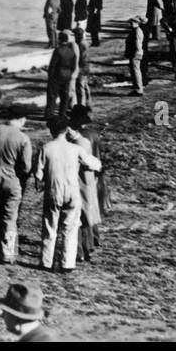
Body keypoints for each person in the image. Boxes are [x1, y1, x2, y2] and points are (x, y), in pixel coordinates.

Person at [34, 114, 102, 273]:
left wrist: (41, 181)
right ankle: (67, 263)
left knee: (50, 226)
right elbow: (94, 164)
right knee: (70, 229)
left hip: (53, 190)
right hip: (72, 192)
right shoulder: (76, 149)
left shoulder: (46, 148)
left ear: (51, 130)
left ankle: (46, 261)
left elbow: (38, 175)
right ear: (66, 130)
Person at [0, 113, 33, 263]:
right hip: (12, 181)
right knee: (9, 218)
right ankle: (7, 254)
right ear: (22, 119)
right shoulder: (23, 138)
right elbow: (26, 167)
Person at [69, 106, 104, 263]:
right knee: (91, 210)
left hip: (82, 178)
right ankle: (95, 241)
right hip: (94, 176)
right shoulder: (94, 134)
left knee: (82, 213)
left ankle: (85, 247)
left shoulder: (79, 139)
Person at [46, 30, 78, 119]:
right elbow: (73, 65)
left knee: (52, 96)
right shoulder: (71, 51)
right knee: (64, 96)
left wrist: (50, 76)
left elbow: (52, 65)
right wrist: (70, 74)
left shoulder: (58, 50)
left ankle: (49, 114)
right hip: (67, 76)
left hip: (57, 76)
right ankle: (62, 113)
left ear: (59, 40)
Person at [124, 16, 146, 95]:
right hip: (135, 53)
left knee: (136, 71)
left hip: (135, 54)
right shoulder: (136, 30)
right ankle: (137, 88)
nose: (130, 24)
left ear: (136, 23)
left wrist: (137, 52)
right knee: (135, 71)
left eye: (131, 23)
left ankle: (138, 89)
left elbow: (137, 44)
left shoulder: (136, 31)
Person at [71, 28, 92, 108]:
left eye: (75, 35)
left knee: (80, 87)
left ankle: (81, 105)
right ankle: (88, 102)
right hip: (86, 66)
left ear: (78, 35)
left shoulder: (80, 44)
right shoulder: (85, 42)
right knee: (85, 85)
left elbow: (80, 57)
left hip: (81, 67)